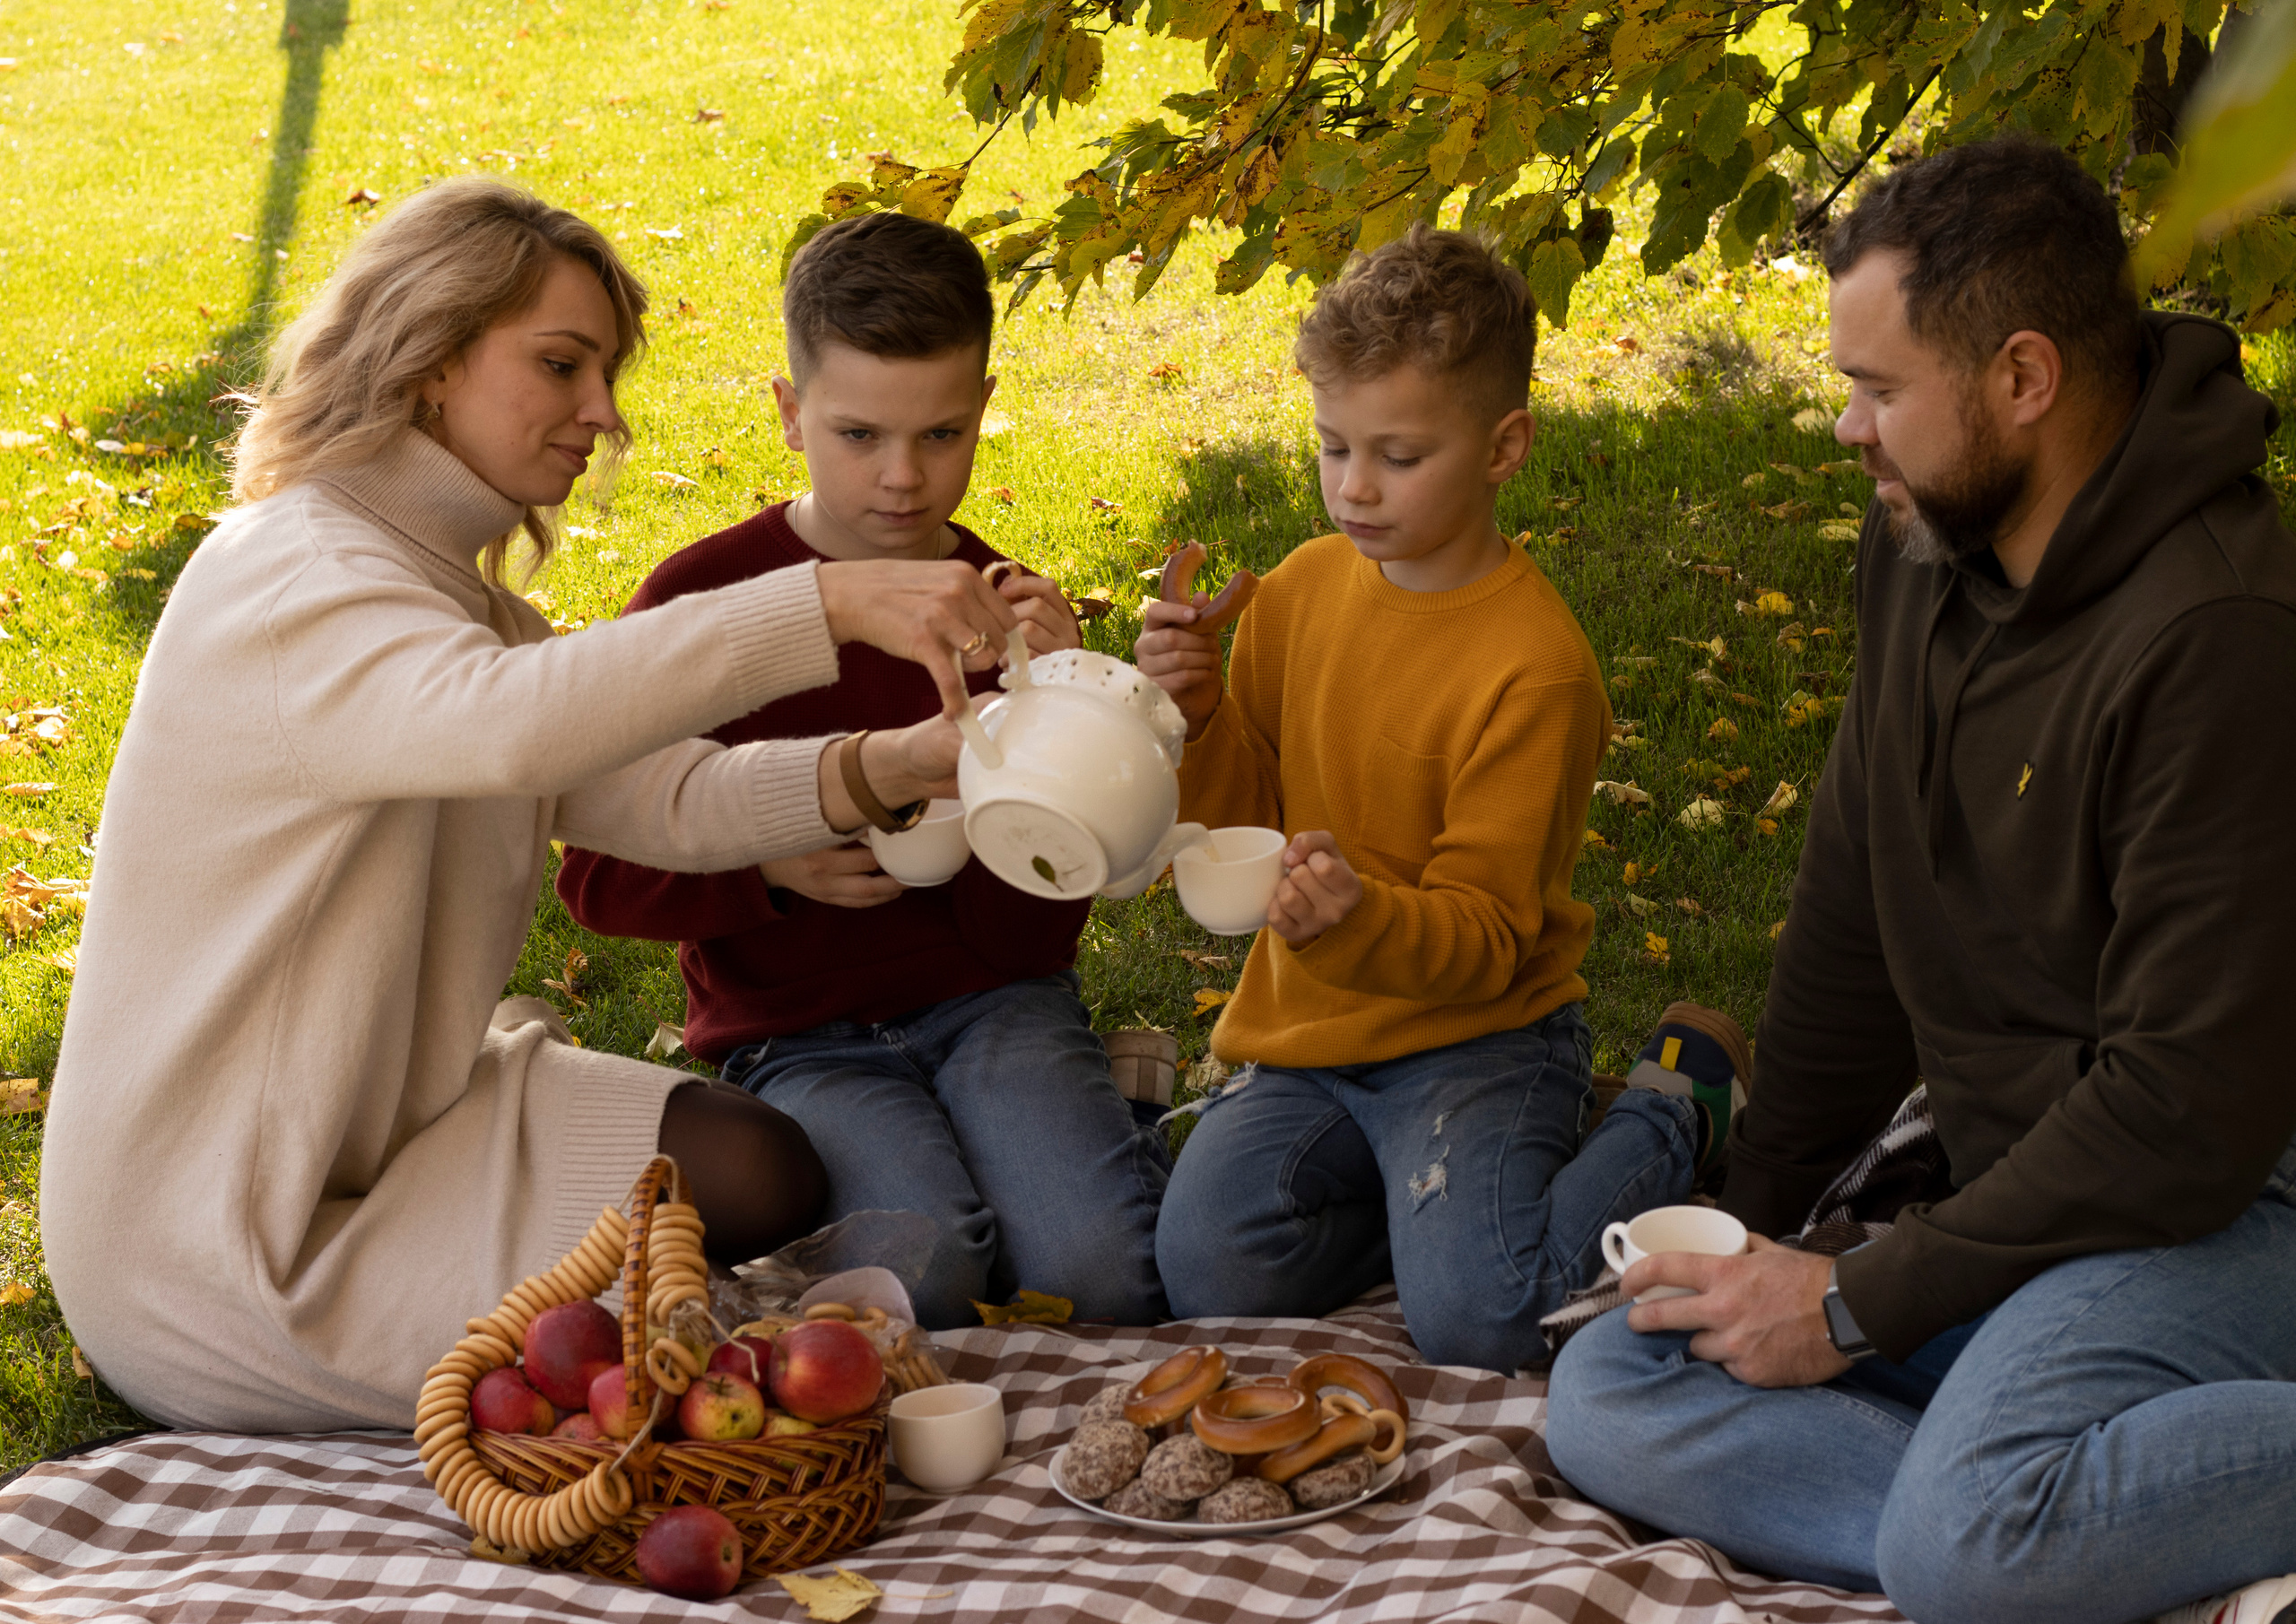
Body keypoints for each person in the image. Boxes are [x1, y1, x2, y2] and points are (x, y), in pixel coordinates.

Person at [37, 179, 1022, 1433]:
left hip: (409, 1122)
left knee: (762, 1162)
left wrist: (893, 764)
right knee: (661, 1380)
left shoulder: (445, 587)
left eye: (604, 371)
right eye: (561, 363)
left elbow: (656, 793)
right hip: (225, 1237)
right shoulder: (295, 575)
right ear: (432, 358)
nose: (600, 414)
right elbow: (509, 721)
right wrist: (821, 604)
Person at [1544, 138, 2296, 1624]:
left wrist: (1855, 1304)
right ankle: (2075, 1510)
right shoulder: (1930, 531)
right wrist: (1760, 1238)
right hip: (2033, 1187)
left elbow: (2184, 1119)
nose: (1844, 428)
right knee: (1609, 1388)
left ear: (2024, 378)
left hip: (2227, 1202)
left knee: (1968, 1550)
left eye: (1881, 391)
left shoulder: (2219, 635)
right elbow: (1852, 894)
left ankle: (2013, 1518)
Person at [557, 213, 1170, 1331]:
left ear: (984, 405)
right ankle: (1059, 1142)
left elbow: (1040, 930)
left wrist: (1059, 704)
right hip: (795, 1032)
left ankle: (1106, 1122)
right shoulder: (702, 604)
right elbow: (594, 878)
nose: (901, 477)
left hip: (994, 997)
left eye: (941, 435)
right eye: (857, 434)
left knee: (1104, 1276)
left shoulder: (1003, 610)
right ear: (789, 414)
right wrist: (768, 867)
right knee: (923, 1280)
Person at [1136, 226, 1720, 1374]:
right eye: (1332, 445)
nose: (1353, 486)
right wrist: (1196, 715)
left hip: (1479, 1038)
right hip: (1311, 1035)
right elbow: (1236, 810)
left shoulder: (1533, 668)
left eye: (1398, 455)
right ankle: (1429, 1218)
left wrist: (1357, 921)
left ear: (1504, 445)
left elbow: (1490, 936)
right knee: (1209, 1271)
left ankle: (1670, 1105)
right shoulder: (1304, 590)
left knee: (1486, 1323)